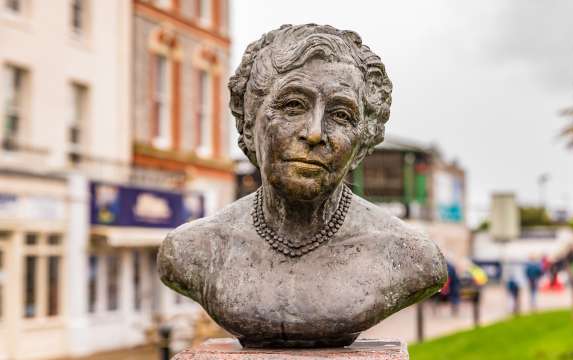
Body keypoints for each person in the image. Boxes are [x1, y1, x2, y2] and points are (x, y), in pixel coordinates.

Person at [158, 24, 447, 348]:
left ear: (363, 143)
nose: (314, 132)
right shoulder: (191, 250)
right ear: (250, 121)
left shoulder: (410, 257)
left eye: (341, 114)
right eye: (293, 105)